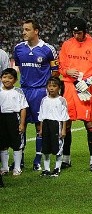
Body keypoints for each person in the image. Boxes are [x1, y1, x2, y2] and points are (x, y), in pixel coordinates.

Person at [58, 17, 92, 171]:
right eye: (74, 33)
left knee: (89, 123)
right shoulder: (67, 44)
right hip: (68, 88)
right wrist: (67, 71)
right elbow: (60, 66)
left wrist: (89, 80)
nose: (76, 35)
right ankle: (66, 158)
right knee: (66, 123)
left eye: (79, 32)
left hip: (84, 88)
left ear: (85, 31)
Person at [13, 19, 59, 171]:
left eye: (27, 29)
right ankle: (19, 160)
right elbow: (19, 67)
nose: (23, 32)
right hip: (23, 91)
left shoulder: (48, 49)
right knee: (21, 126)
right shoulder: (18, 48)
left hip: (40, 92)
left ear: (36, 31)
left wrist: (47, 87)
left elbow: (55, 71)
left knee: (40, 126)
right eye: (23, 29)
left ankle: (38, 160)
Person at [38, 77, 69, 177]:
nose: (51, 88)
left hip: (56, 125)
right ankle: (46, 169)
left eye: (54, 86)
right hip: (46, 125)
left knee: (58, 148)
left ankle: (57, 168)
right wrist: (41, 129)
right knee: (45, 148)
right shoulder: (44, 100)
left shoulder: (62, 100)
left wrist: (63, 129)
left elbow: (64, 116)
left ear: (59, 88)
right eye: (49, 86)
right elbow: (41, 115)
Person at [0, 68, 28, 176]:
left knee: (17, 144)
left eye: (10, 78)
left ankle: (17, 167)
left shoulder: (18, 91)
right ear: (1, 78)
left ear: (15, 80)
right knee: (2, 144)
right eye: (4, 77)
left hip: (14, 118)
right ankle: (4, 167)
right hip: (2, 118)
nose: (7, 80)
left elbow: (23, 108)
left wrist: (22, 123)